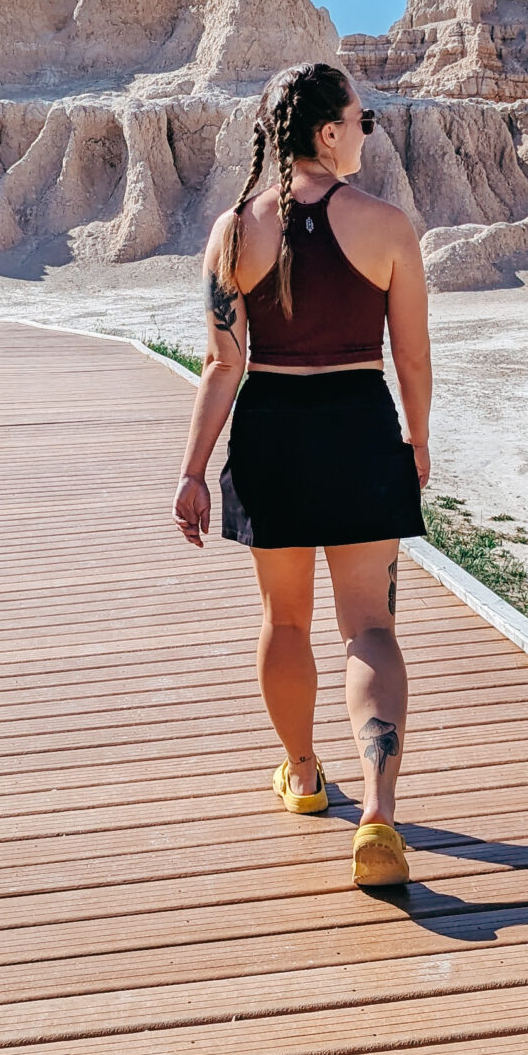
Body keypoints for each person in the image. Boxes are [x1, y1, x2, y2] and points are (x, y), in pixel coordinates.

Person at [173, 61, 431, 888]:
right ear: (328, 132)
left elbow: (222, 365)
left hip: (271, 435)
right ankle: (379, 816)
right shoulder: (389, 227)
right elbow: (412, 361)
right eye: (362, 119)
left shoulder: (231, 234)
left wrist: (193, 472)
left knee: (285, 624)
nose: (367, 131)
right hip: (359, 432)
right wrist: (416, 442)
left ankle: (305, 773)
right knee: (372, 631)